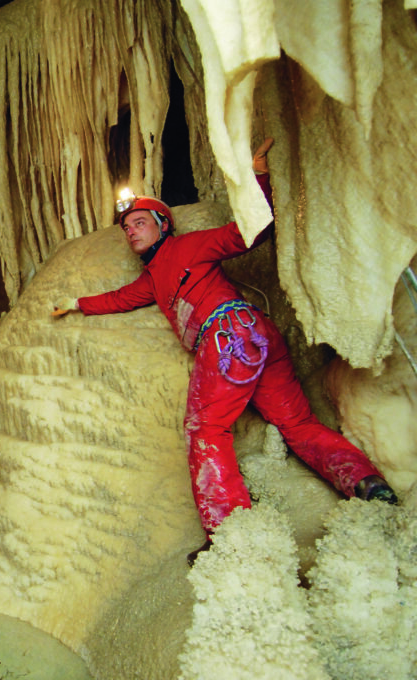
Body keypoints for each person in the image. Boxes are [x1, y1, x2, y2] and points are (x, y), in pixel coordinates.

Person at [52, 139, 398, 565]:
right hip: (255, 337)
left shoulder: (187, 247)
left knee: (205, 427)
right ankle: (367, 484)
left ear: (163, 225)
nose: (131, 231)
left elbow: (245, 233)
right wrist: (76, 304)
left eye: (140, 222)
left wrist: (259, 177)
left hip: (227, 336)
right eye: (127, 228)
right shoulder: (153, 278)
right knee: (297, 423)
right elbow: (121, 298)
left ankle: (232, 532)